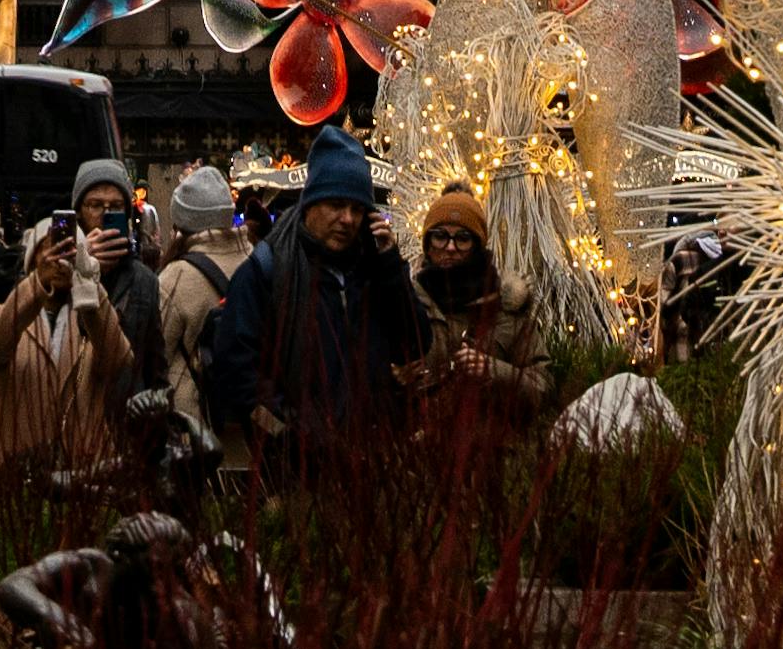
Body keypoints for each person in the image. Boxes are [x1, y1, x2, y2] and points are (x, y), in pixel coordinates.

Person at [200, 127, 431, 463]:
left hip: (373, 462)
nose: (347, 219)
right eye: (336, 205)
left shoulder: (373, 269)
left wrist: (391, 267)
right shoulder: (267, 270)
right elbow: (237, 372)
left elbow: (416, 343)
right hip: (294, 466)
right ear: (311, 203)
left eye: (357, 209)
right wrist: (296, 436)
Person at [0, 173, 143, 484]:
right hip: (9, 474)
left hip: (81, 477)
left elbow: (119, 360)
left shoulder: (91, 319)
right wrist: (37, 284)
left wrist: (89, 284)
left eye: (68, 250)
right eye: (49, 248)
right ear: (33, 257)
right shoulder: (0, 314)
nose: (60, 258)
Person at [410, 190, 542, 430]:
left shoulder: (509, 311)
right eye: (440, 236)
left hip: (490, 455)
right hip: (416, 455)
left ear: (477, 245)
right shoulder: (406, 304)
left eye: (462, 238)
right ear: (428, 244)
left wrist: (493, 371)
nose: (451, 247)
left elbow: (542, 388)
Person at [149, 168, 243, 436]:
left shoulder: (175, 277)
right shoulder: (257, 261)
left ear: (180, 223)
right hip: (253, 428)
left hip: (196, 432)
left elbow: (156, 358)